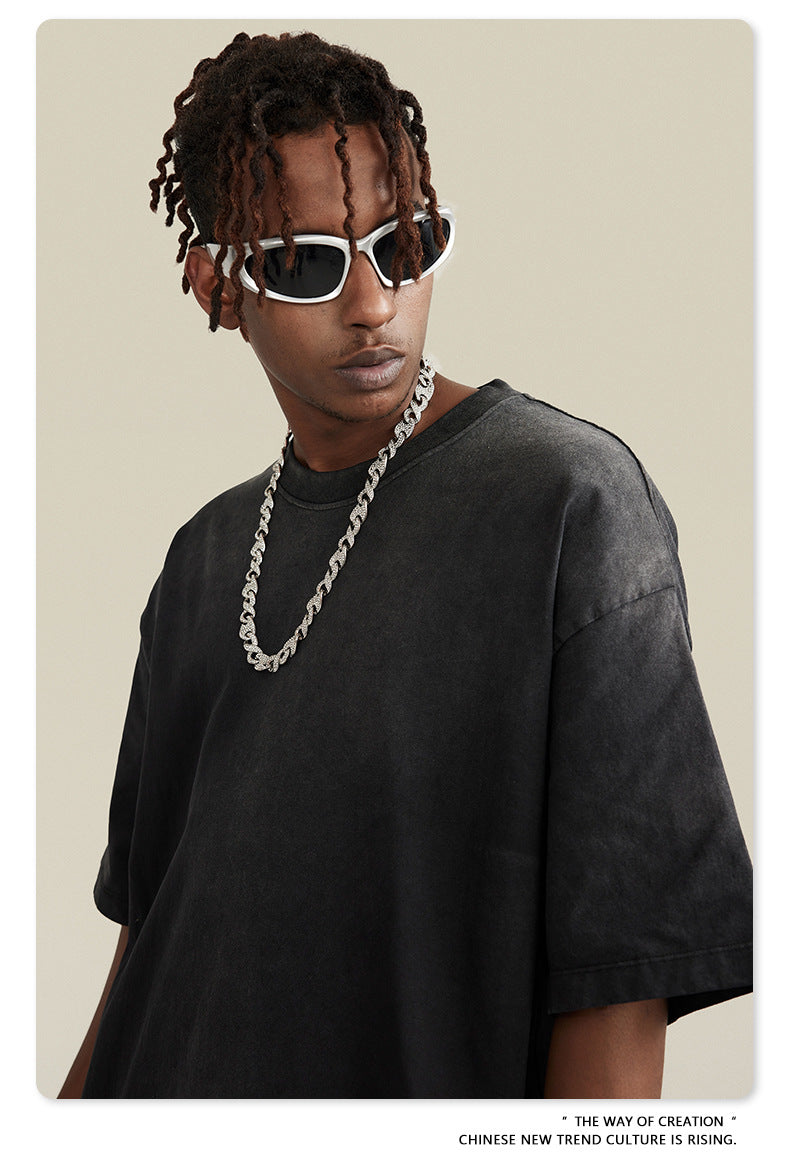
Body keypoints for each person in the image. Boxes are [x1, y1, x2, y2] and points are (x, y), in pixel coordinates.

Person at [59, 29, 752, 1100]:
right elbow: (146, 946)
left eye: (404, 244)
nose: (374, 302)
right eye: (306, 262)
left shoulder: (569, 503)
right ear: (216, 286)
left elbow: (623, 974)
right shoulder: (202, 558)